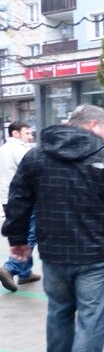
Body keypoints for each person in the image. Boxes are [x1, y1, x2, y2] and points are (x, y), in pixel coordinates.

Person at [2, 105, 104, 352]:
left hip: (54, 252)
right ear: (91, 125)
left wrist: (18, 239)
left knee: (59, 311)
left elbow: (18, 199)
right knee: (90, 318)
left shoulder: (36, 156)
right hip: (96, 255)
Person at [0, 121, 40, 292]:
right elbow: (33, 174)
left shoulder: (2, 149)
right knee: (30, 234)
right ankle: (11, 267)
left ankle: (25, 273)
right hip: (24, 199)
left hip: (7, 198)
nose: (30, 137)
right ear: (15, 133)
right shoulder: (21, 150)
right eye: (27, 133)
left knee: (20, 232)